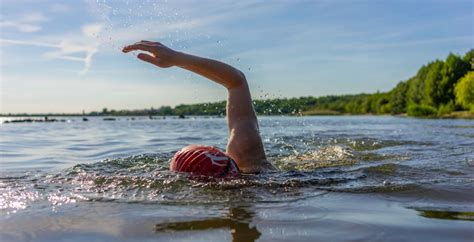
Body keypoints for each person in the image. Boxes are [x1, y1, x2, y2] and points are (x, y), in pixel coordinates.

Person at [123, 41, 275, 177]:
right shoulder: (249, 160)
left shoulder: (249, 165)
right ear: (222, 157)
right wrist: (176, 58)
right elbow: (237, 82)